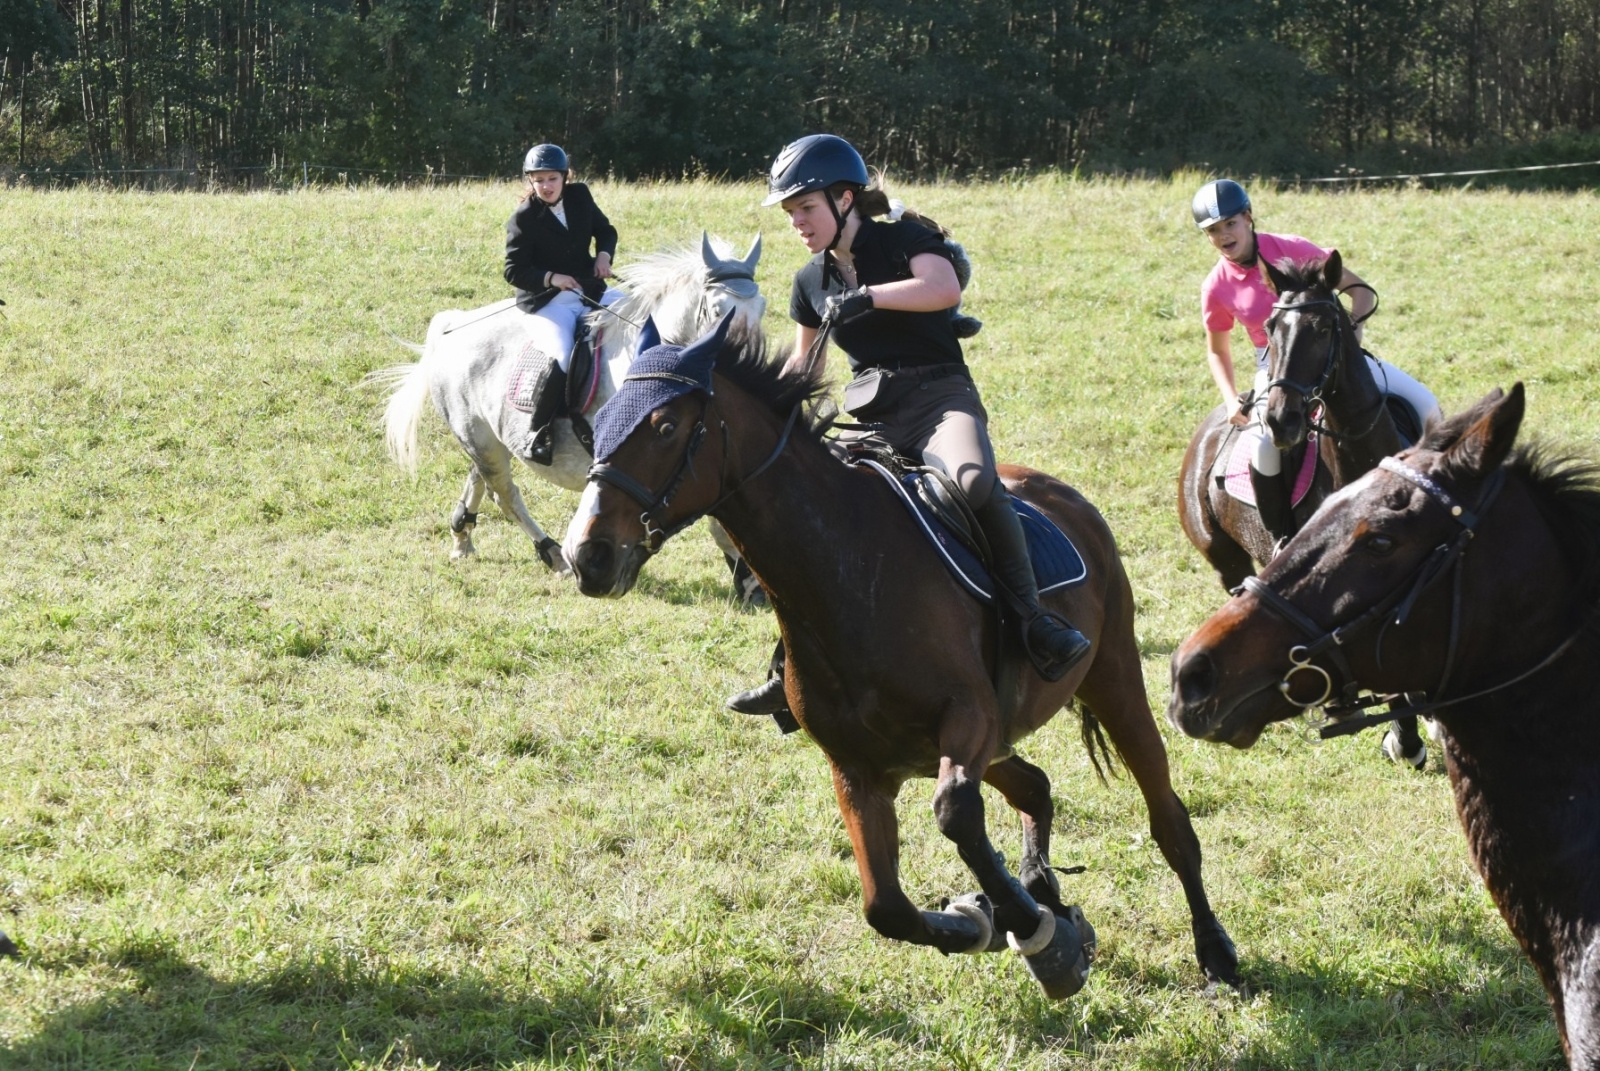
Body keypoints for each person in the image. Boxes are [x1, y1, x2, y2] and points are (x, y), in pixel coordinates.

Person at [727, 134, 1091, 722]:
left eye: (806, 208)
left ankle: (1033, 621)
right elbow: (806, 367)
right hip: (873, 421)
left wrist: (867, 296)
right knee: (809, 513)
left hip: (941, 399)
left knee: (972, 482)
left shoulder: (901, 238)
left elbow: (943, 288)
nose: (798, 222)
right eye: (791, 213)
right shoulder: (807, 283)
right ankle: (787, 665)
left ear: (845, 198)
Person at [1193, 178, 1441, 546]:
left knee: (1425, 403)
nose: (1224, 234)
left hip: (1332, 351)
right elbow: (1217, 350)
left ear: (1248, 217)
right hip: (1277, 365)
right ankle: (1281, 536)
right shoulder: (1216, 286)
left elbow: (1359, 291)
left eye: (1230, 223)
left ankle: (1443, 500)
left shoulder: (1292, 247)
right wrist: (1231, 399)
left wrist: (1354, 326)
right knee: (1264, 444)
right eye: (1213, 230)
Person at [503, 143, 622, 465]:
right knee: (563, 356)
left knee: (637, 315)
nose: (545, 186)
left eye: (551, 178)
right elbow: (513, 270)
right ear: (530, 182)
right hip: (548, 303)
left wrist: (603, 256)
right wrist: (552, 278)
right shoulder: (523, 218)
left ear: (565, 177)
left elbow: (606, 231)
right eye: (538, 180)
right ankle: (537, 432)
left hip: (589, 289)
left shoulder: (580, 196)